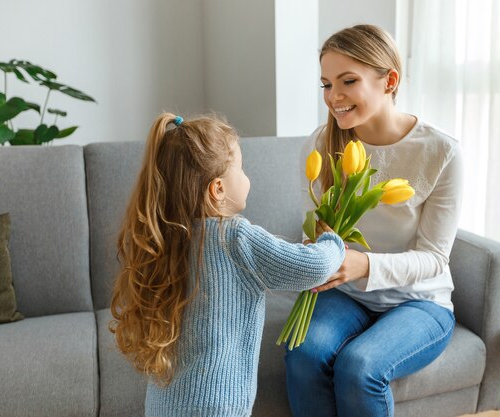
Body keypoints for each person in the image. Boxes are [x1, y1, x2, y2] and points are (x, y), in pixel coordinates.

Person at [109, 113, 345, 417]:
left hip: (162, 406)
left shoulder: (165, 239)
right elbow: (311, 268)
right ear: (217, 188)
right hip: (219, 406)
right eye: (241, 169)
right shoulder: (234, 236)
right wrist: (333, 244)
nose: (247, 177)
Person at [285, 24, 463, 417]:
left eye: (348, 81)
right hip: (346, 295)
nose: (334, 97)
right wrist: (314, 255)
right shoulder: (319, 146)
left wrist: (363, 264)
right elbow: (312, 230)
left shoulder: (440, 151)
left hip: (418, 301)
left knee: (360, 367)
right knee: (302, 353)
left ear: (389, 81)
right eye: (326, 84)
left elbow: (434, 258)